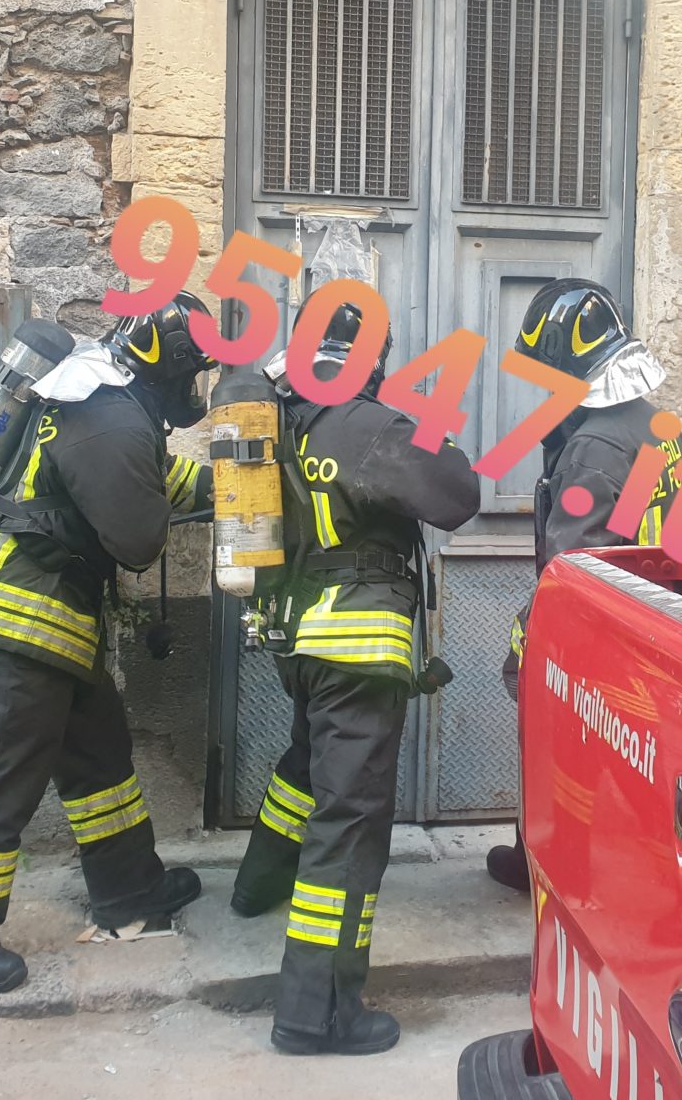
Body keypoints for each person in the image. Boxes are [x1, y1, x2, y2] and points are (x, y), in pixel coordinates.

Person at [0, 292, 217, 994]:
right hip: (20, 622)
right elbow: (137, 538)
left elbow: (149, 473)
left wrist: (228, 484)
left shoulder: (107, 397)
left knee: (99, 764)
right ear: (170, 364)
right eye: (193, 371)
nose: (196, 387)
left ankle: (131, 888)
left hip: (55, 622)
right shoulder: (111, 420)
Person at [228, 304, 481, 1055]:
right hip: (360, 651)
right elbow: (459, 493)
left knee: (305, 770)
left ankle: (254, 886)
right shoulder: (366, 424)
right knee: (349, 827)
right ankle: (317, 1014)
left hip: (300, 645)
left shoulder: (281, 418)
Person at [488, 279, 682, 894]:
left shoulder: (594, 446)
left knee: (564, 758)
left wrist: (538, 643)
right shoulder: (655, 424)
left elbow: (575, 570)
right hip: (653, 621)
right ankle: (549, 859)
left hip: (598, 637)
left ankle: (558, 872)